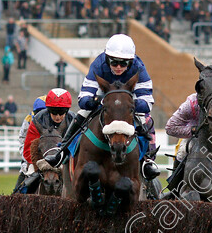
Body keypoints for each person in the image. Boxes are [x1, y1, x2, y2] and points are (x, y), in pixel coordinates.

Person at [46, 34, 159, 180]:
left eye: (123, 63)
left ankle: (148, 160)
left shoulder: (139, 68)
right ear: (107, 59)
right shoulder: (98, 65)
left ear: (130, 62)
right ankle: (62, 149)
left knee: (145, 119)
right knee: (83, 112)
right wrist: (97, 100)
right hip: (103, 98)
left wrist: (127, 104)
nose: (118, 67)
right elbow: (83, 98)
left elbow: (147, 102)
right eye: (114, 62)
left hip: (128, 102)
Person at [18, 88, 76, 193]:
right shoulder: (37, 120)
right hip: (40, 160)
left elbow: (79, 146)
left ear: (67, 111)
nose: (58, 116)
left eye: (61, 112)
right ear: (48, 110)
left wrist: (63, 162)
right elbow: (28, 150)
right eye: (54, 112)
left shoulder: (73, 119)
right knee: (25, 183)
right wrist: (42, 165)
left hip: (67, 159)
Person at [14, 95, 47, 192]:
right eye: (38, 112)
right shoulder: (29, 119)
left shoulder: (56, 118)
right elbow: (22, 139)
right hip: (32, 159)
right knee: (16, 194)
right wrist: (28, 158)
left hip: (52, 158)